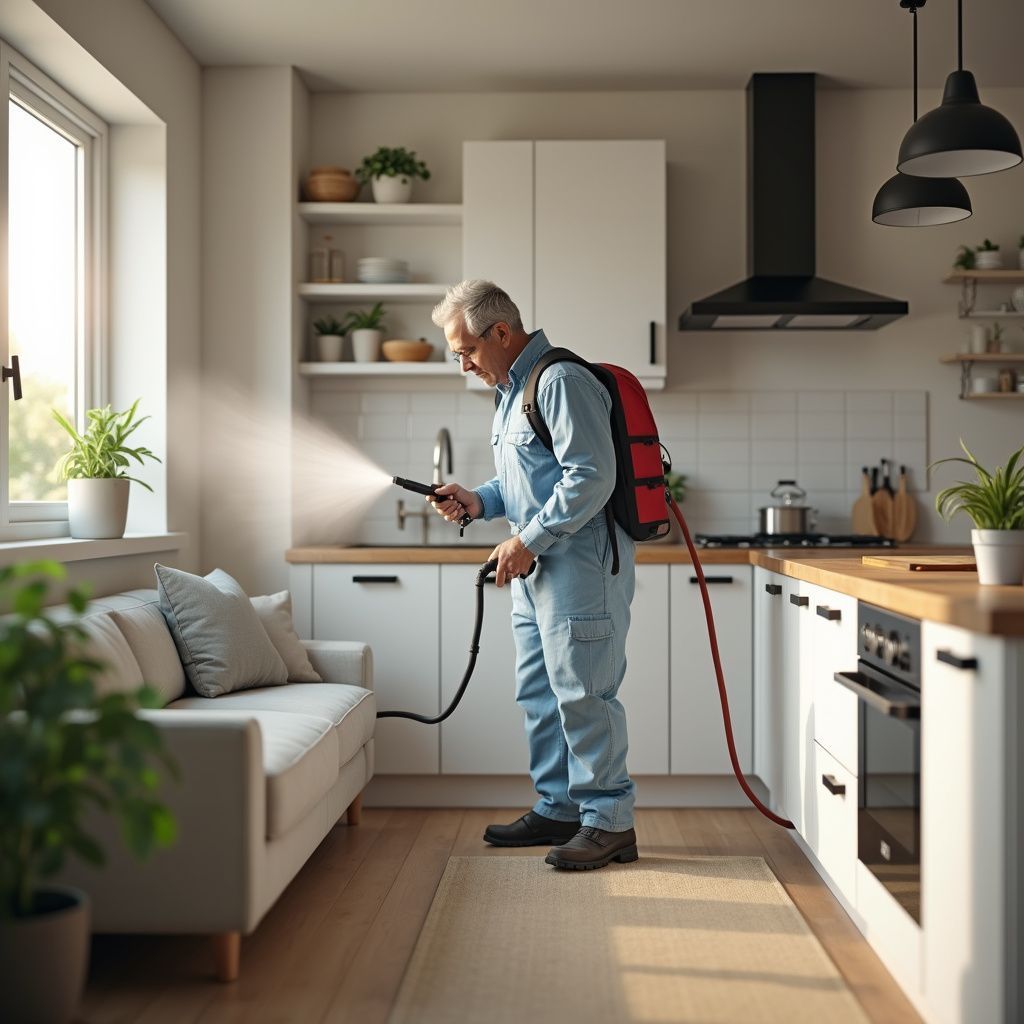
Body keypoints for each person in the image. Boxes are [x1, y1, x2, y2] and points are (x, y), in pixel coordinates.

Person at [428, 279, 637, 870]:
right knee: (541, 694)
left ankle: (609, 822)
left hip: (580, 567)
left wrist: (528, 538)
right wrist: (480, 500)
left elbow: (590, 478)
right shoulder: (511, 391)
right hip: (535, 569)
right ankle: (560, 807)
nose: (462, 363)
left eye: (464, 350)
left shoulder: (561, 381)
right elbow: (529, 482)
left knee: (584, 695)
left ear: (500, 332)